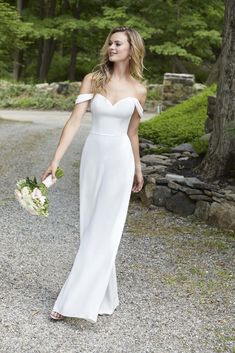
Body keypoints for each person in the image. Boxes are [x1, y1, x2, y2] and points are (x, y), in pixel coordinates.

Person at [41, 26, 147, 323]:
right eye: (110, 43)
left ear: (131, 49)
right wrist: (55, 160)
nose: (111, 47)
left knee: (105, 231)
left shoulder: (140, 90)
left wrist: (138, 168)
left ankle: (70, 300)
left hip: (120, 163)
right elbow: (74, 122)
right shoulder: (93, 79)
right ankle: (104, 295)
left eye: (118, 43)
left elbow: (132, 133)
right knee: (91, 228)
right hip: (93, 159)